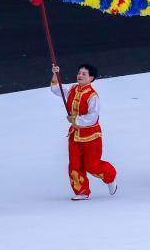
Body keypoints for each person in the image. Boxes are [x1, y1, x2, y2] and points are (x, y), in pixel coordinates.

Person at [51, 64, 118, 200]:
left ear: (91, 78)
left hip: (91, 136)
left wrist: (75, 120)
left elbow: (93, 117)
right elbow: (56, 89)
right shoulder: (72, 89)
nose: (80, 75)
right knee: (75, 164)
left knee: (92, 166)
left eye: (84, 74)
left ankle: (110, 176)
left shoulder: (93, 96)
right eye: (79, 73)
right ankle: (81, 191)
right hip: (75, 135)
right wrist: (55, 74)